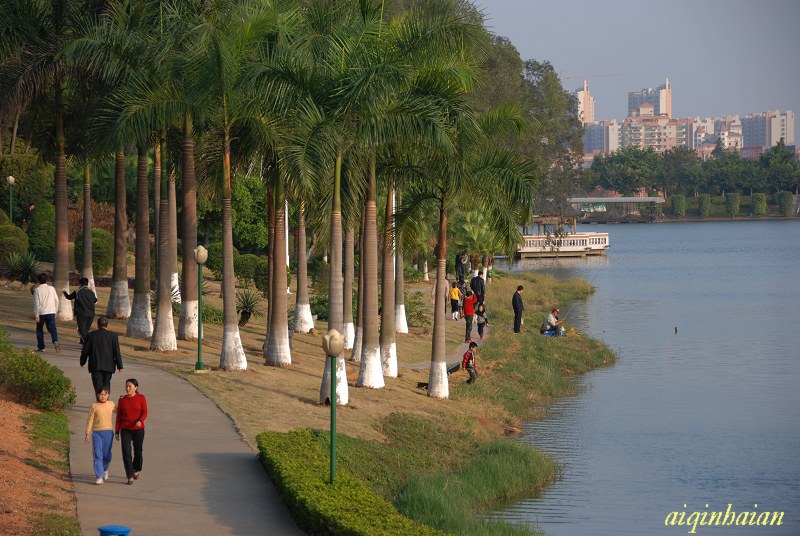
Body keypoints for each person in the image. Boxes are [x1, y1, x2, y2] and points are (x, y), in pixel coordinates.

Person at [80, 317, 124, 394]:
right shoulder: (113, 336)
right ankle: (105, 402)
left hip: (95, 366)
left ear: (97, 325)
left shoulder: (91, 335)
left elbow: (85, 351)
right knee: (106, 385)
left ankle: (100, 403)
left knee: (98, 386)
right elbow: (116, 352)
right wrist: (120, 366)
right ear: (107, 325)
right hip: (108, 366)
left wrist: (82, 362)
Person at [116, 378, 148, 485]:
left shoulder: (141, 398)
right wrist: (116, 431)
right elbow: (118, 417)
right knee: (126, 452)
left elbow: (145, 412)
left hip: (138, 429)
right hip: (125, 429)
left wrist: (140, 420)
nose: (127, 388)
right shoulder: (122, 400)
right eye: (126, 386)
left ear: (136, 388)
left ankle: (136, 469)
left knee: (138, 451)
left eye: (130, 386)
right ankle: (129, 475)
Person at [85, 387, 116, 485]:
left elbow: (119, 411)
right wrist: (87, 433)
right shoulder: (94, 406)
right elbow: (90, 420)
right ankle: (99, 476)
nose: (103, 396)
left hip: (108, 432)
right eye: (101, 394)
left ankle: (105, 469)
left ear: (108, 395)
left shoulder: (111, 404)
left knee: (107, 455)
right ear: (97, 395)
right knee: (97, 454)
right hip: (97, 433)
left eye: (105, 394)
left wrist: (124, 401)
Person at [63, 277, 97, 345]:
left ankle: (88, 344)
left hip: (81, 314)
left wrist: (64, 292)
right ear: (87, 284)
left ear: (80, 284)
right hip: (91, 314)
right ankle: (82, 342)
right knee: (86, 330)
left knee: (81, 330)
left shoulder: (77, 292)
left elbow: (69, 297)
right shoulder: (91, 292)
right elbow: (95, 300)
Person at [32, 273, 61, 352]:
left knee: (39, 330)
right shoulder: (51, 288)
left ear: (38, 281)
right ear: (46, 280)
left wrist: (36, 314)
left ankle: (41, 347)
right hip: (51, 311)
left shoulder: (37, 290)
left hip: (41, 313)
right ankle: (55, 340)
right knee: (53, 329)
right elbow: (56, 300)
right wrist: (55, 311)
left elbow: (36, 303)